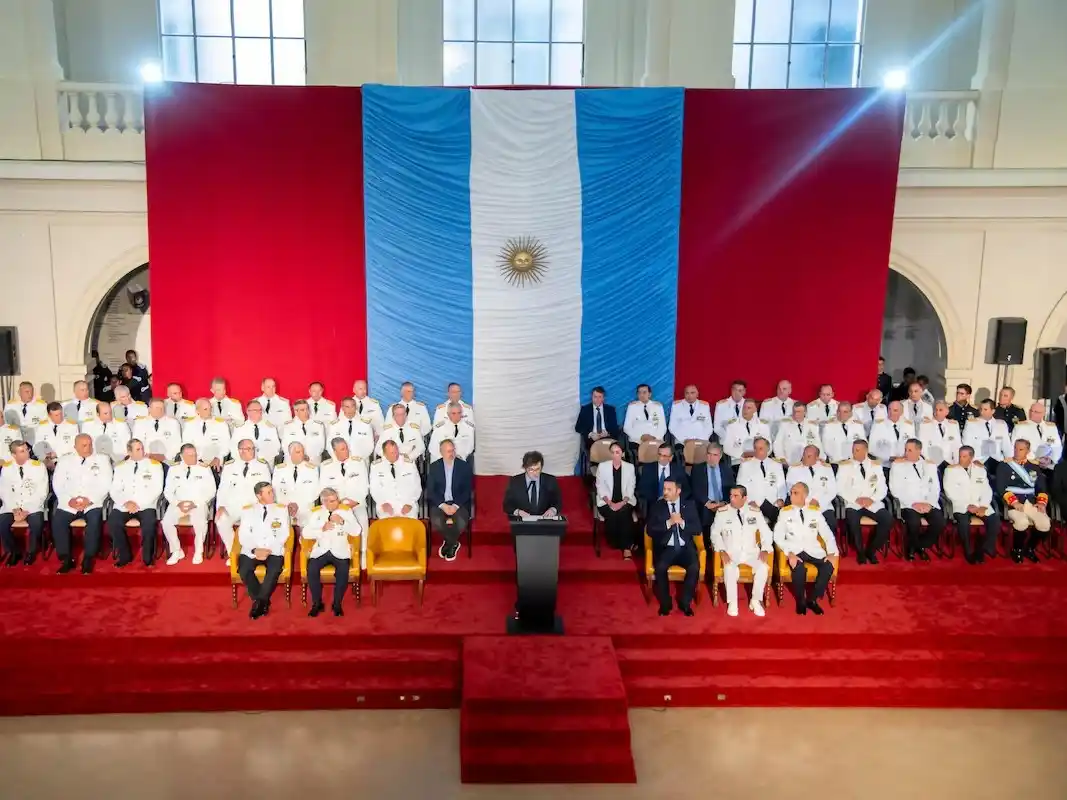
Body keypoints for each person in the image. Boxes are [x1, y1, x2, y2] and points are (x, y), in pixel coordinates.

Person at [773, 482, 839, 615]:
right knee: (799, 568)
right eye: (791, 492)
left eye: (795, 493)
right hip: (795, 549)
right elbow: (778, 536)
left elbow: (827, 533)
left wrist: (832, 552)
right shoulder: (784, 512)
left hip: (813, 549)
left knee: (828, 566)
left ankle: (812, 600)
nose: (791, 495)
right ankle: (801, 601)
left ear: (804, 495)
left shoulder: (815, 512)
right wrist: (789, 553)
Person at [51, 434, 113, 574]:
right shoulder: (65, 460)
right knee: (58, 521)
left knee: (94, 521)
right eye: (84, 445)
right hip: (69, 502)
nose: (88, 448)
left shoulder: (102, 460)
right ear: (75, 446)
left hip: (92, 502)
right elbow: (58, 483)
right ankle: (66, 559)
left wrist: (89, 499)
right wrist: (69, 500)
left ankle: (88, 558)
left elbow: (106, 484)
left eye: (90, 444)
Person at [709, 485, 771, 617]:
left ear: (745, 498)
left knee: (763, 568)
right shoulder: (722, 512)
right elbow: (714, 534)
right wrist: (721, 550)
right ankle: (733, 602)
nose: (732, 499)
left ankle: (755, 600)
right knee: (729, 569)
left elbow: (767, 532)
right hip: (731, 552)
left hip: (751, 552)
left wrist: (765, 549)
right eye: (731, 495)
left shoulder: (755, 512)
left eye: (736, 496)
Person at [236, 481, 290, 620]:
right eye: (269, 492)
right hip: (252, 549)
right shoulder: (247, 510)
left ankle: (258, 603)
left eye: (272, 491)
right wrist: (255, 549)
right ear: (259, 496)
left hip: (273, 549)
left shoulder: (281, 509)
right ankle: (262, 600)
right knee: (244, 569)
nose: (273, 494)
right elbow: (243, 535)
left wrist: (268, 549)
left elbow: (284, 533)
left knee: (273, 570)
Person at [302, 487, 360, 617]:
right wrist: (321, 529)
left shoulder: (346, 512)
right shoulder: (316, 513)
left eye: (336, 500)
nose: (336, 503)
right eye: (332, 501)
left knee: (342, 572)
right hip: (321, 550)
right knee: (311, 569)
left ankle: (337, 603)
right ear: (324, 502)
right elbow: (305, 533)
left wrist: (343, 522)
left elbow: (356, 531)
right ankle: (317, 603)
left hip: (340, 551)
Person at [647, 477, 701, 616]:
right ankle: (665, 604)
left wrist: (682, 523)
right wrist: (668, 523)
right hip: (666, 548)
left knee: (694, 567)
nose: (665, 492)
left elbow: (697, 529)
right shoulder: (657, 506)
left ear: (678, 491)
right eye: (664, 489)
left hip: (685, 547)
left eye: (669, 489)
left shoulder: (689, 505)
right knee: (660, 568)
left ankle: (685, 603)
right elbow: (650, 530)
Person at [106, 438, 164, 567]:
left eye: (142, 448)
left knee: (149, 525)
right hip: (124, 505)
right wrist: (126, 503)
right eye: (138, 449)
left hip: (146, 505)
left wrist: (138, 504)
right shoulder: (120, 467)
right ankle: (125, 555)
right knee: (113, 522)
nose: (142, 451)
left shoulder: (154, 465)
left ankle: (148, 558)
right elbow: (114, 489)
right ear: (129, 452)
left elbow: (157, 489)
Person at [215, 439, 273, 564]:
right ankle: (233, 553)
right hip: (233, 505)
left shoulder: (262, 466)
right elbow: (222, 488)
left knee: (251, 526)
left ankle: (247, 553)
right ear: (240, 451)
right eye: (248, 449)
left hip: (253, 506)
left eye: (253, 448)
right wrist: (220, 506)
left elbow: (266, 489)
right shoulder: (229, 466)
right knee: (221, 521)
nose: (252, 451)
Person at [995, 439, 1051, 563]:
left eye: (1020, 449)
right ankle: (1017, 550)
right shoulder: (1004, 466)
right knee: (1022, 522)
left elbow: (1041, 487)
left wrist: (1041, 503)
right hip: (1013, 503)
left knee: (1045, 524)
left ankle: (1030, 548)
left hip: (1031, 502)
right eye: (1015, 448)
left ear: (1028, 451)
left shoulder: (1033, 467)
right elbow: (1000, 488)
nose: (1016, 451)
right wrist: (1014, 502)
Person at [888, 438, 945, 561]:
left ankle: (920, 545)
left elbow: (935, 488)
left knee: (940, 522)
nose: (906, 453)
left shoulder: (929, 465)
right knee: (913, 522)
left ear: (919, 450)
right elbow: (895, 489)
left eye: (910, 450)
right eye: (905, 450)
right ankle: (912, 549)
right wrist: (913, 504)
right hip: (908, 504)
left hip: (928, 503)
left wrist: (929, 503)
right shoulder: (898, 466)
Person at [836, 440, 891, 563]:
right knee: (853, 521)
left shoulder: (876, 466)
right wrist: (855, 498)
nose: (854, 452)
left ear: (865, 450)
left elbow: (883, 487)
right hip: (853, 503)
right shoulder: (845, 466)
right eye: (853, 449)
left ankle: (871, 551)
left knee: (887, 519)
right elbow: (839, 488)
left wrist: (872, 499)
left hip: (873, 503)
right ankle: (860, 552)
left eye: (857, 450)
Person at [943, 445, 1001, 564]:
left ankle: (985, 547)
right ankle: (969, 551)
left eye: (964, 456)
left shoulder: (980, 470)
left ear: (971, 457)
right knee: (963, 523)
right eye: (960, 456)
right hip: (961, 506)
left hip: (979, 505)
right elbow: (949, 492)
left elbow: (986, 490)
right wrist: (967, 505)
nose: (961, 459)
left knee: (994, 520)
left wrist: (984, 505)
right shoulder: (950, 470)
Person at [161, 443, 216, 564]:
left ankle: (198, 551)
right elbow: (168, 491)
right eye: (189, 455)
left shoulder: (204, 468)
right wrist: (177, 503)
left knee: (200, 522)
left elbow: (212, 491)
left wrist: (195, 503)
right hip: (179, 503)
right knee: (166, 522)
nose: (193, 458)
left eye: (195, 455)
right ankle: (176, 551)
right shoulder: (174, 469)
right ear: (181, 456)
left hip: (198, 503)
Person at [319, 438, 370, 563]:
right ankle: (343, 560)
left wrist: (355, 502)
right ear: (334, 451)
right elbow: (324, 489)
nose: (346, 451)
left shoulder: (358, 463)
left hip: (356, 504)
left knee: (362, 529)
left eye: (346, 447)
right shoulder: (326, 466)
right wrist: (338, 505)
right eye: (342, 449)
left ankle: (363, 559)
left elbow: (365, 486)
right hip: (336, 507)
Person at [0, 440, 48, 565]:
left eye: (27, 450)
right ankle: (14, 552)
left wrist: (26, 510)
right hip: (12, 507)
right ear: (14, 455)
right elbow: (4, 491)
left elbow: (42, 492)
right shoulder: (6, 467)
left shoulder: (38, 466)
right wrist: (15, 509)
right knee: (2, 524)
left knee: (37, 524)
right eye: (22, 451)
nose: (27, 453)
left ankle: (31, 552)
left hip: (32, 506)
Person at [427, 438, 473, 561]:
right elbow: (431, 491)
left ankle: (448, 543)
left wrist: (455, 506)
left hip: (459, 502)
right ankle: (453, 543)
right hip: (440, 503)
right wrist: (443, 505)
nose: (451, 454)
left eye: (453, 450)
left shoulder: (464, 467)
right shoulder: (434, 467)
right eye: (448, 451)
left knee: (461, 520)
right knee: (436, 520)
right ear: (441, 452)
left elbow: (467, 490)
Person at [594, 442, 637, 557]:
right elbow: (600, 487)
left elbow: (630, 488)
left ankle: (627, 547)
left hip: (625, 500)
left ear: (622, 453)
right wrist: (610, 503)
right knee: (613, 513)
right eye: (612, 452)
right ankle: (615, 542)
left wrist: (622, 502)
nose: (615, 455)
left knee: (623, 512)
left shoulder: (629, 467)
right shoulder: (602, 467)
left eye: (617, 452)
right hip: (606, 501)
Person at [735, 437, 787, 527]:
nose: (757, 451)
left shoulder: (776, 465)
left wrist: (781, 498)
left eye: (761, 448)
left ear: (767, 449)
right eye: (755, 448)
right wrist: (749, 501)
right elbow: (740, 488)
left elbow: (782, 485)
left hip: (773, 504)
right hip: (754, 505)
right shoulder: (745, 465)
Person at [786, 445, 837, 533]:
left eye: (809, 456)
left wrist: (819, 502)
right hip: (802, 506)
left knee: (831, 523)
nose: (805, 458)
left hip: (824, 506)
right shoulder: (794, 469)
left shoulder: (826, 469)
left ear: (817, 457)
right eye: (804, 455)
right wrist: (808, 501)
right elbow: (791, 491)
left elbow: (832, 490)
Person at [271, 442, 321, 530]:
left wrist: (297, 505)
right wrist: (289, 505)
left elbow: (315, 492)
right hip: (285, 511)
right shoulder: (279, 469)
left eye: (302, 452)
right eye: (298, 452)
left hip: (305, 511)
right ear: (290, 453)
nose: (301, 454)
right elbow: (275, 491)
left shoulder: (312, 469)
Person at [689, 442, 734, 540]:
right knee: (704, 516)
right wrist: (707, 503)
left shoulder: (726, 469)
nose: (711, 458)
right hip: (705, 504)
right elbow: (695, 489)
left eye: (715, 455)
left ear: (720, 456)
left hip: (723, 504)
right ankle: (706, 547)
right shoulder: (698, 469)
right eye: (709, 454)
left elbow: (731, 489)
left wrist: (724, 502)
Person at [370, 440, 422, 519]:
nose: (396, 455)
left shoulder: (409, 464)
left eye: (396, 451)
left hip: (407, 506)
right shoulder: (376, 466)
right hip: (386, 507)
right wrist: (383, 503)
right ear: (384, 454)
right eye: (392, 453)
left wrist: (410, 503)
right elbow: (374, 489)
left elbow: (417, 486)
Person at [503, 450, 562, 517]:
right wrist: (518, 512)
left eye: (538, 469)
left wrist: (553, 510)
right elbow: (507, 505)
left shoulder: (550, 480)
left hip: (544, 521)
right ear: (525, 468)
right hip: (522, 522)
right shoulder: (514, 481)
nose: (535, 473)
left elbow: (558, 502)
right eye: (531, 469)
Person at [181, 398, 231, 472]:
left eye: (210, 408)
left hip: (214, 462)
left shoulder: (221, 424)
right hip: (195, 462)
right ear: (197, 411)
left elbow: (226, 445)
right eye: (205, 409)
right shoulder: (189, 424)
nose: (209, 412)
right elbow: (186, 444)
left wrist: (219, 458)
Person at [1010, 401, 1063, 469]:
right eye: (1031, 411)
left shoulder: (1051, 427)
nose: (1032, 413)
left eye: (1036, 412)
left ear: (1043, 414)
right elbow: (1014, 447)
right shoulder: (1020, 427)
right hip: (1028, 464)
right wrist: (1036, 460)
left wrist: (1051, 460)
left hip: (1048, 465)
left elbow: (1057, 447)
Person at [131, 398, 183, 466]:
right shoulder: (140, 423)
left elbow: (177, 443)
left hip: (167, 461)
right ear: (149, 409)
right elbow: (136, 443)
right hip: (146, 460)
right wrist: (148, 456)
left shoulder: (173, 423)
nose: (160, 410)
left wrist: (165, 457)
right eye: (157, 408)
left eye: (162, 408)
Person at [637, 442, 689, 508]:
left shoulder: (678, 469)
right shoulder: (648, 468)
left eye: (664, 456)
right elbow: (643, 488)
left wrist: (675, 499)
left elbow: (686, 489)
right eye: (659, 454)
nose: (661, 458)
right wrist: (658, 500)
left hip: (673, 503)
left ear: (671, 457)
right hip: (654, 503)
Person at [963, 399, 1011, 466]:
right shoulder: (971, 424)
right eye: (981, 409)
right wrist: (973, 460)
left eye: (985, 409)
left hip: (997, 461)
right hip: (978, 462)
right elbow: (967, 445)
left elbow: (1006, 445)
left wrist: (1009, 460)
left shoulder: (1001, 424)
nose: (982, 412)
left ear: (993, 411)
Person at [281, 399, 328, 465]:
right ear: (296, 412)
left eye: (307, 409)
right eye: (302, 410)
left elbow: (321, 446)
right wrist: (298, 457)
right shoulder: (288, 426)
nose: (306, 412)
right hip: (293, 462)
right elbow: (285, 446)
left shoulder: (318, 425)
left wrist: (309, 458)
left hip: (313, 462)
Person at [33, 401, 79, 467]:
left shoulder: (72, 426)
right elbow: (37, 446)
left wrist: (57, 454)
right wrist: (45, 459)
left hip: (66, 462)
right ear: (49, 415)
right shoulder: (41, 427)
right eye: (56, 415)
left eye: (60, 414)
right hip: (46, 464)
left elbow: (75, 446)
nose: (60, 417)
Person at [919, 401, 963, 466]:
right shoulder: (925, 425)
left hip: (949, 463)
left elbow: (957, 445)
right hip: (932, 463)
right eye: (936, 410)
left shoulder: (953, 425)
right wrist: (929, 461)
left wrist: (956, 463)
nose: (937, 412)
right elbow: (922, 446)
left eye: (940, 410)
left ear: (947, 412)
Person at [868, 400, 909, 465]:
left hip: (904, 464)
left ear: (901, 412)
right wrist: (889, 458)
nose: (891, 413)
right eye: (889, 409)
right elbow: (872, 448)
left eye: (895, 410)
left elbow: (912, 444)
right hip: (885, 465)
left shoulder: (908, 425)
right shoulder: (878, 425)